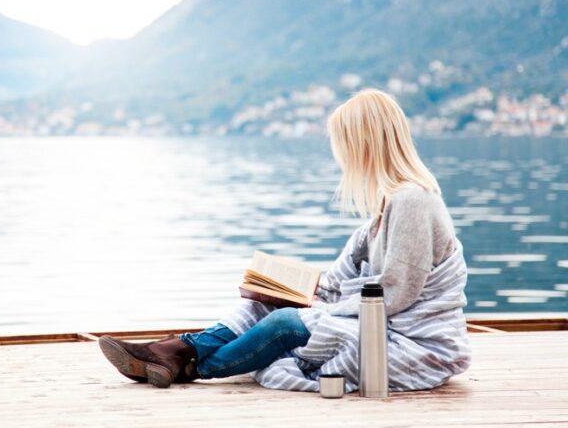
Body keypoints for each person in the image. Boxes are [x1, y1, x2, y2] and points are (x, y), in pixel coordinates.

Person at [99, 88, 471, 392]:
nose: (341, 155)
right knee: (259, 310)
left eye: (344, 143)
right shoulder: (384, 210)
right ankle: (173, 350)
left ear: (365, 143)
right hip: (379, 322)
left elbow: (395, 294)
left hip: (413, 342)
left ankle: (188, 366)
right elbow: (337, 282)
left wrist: (314, 310)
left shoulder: (413, 202)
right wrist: (290, 288)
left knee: (286, 324)